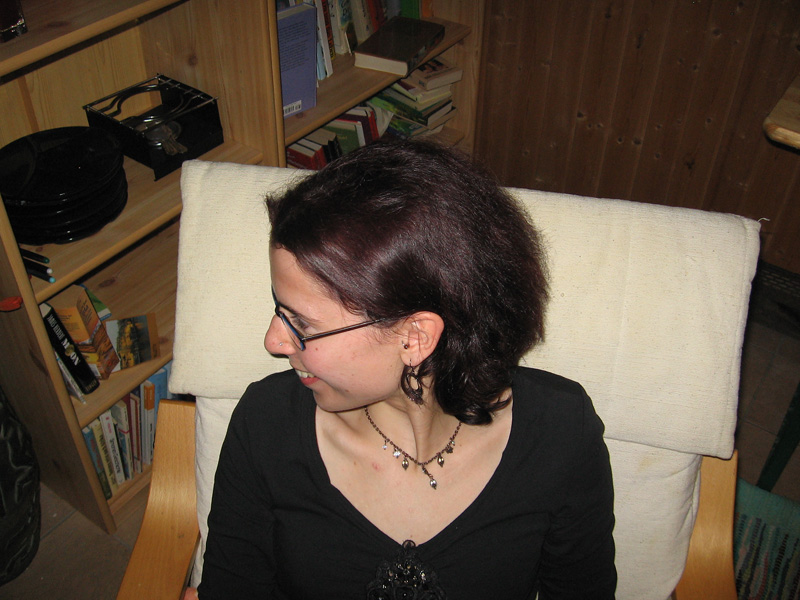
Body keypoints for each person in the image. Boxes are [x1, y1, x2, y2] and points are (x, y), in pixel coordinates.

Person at [196, 140, 616, 599]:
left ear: (414, 337)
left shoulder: (561, 434)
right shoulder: (265, 424)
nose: (273, 342)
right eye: (280, 310)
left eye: (302, 323)